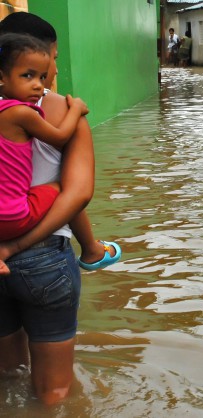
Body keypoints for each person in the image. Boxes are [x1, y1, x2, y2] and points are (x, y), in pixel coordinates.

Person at [0, 12, 117, 405]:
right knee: (55, 391)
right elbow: (78, 194)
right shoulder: (64, 110)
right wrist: (15, 247)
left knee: (7, 374)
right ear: (50, 55)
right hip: (42, 257)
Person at [0, 33, 88, 242]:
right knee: (65, 189)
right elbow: (60, 137)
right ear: (2, 77)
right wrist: (75, 109)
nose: (38, 85)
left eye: (41, 77)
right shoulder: (21, 113)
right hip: (14, 218)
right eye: (27, 76)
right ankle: (91, 248)